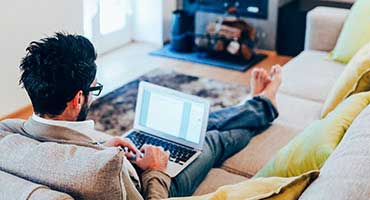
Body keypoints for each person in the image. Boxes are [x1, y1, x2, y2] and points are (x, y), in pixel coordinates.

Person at [0, 33, 282, 199]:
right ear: (77, 99)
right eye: (92, 89)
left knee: (198, 127)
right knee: (214, 140)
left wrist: (97, 148)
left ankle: (254, 103)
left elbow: (56, 154)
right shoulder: (103, 172)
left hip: (111, 159)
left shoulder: (8, 133)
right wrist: (157, 169)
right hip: (154, 181)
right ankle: (262, 103)